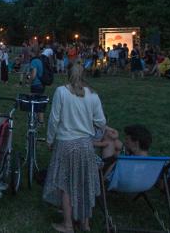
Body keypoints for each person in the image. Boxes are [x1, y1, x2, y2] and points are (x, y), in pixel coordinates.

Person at [43, 64, 106, 232]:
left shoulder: (61, 92)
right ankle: (85, 224)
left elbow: (54, 119)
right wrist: (92, 131)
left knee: (66, 184)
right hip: (85, 145)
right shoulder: (92, 95)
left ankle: (68, 225)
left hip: (66, 144)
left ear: (66, 73)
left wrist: (50, 140)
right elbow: (101, 122)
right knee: (84, 183)